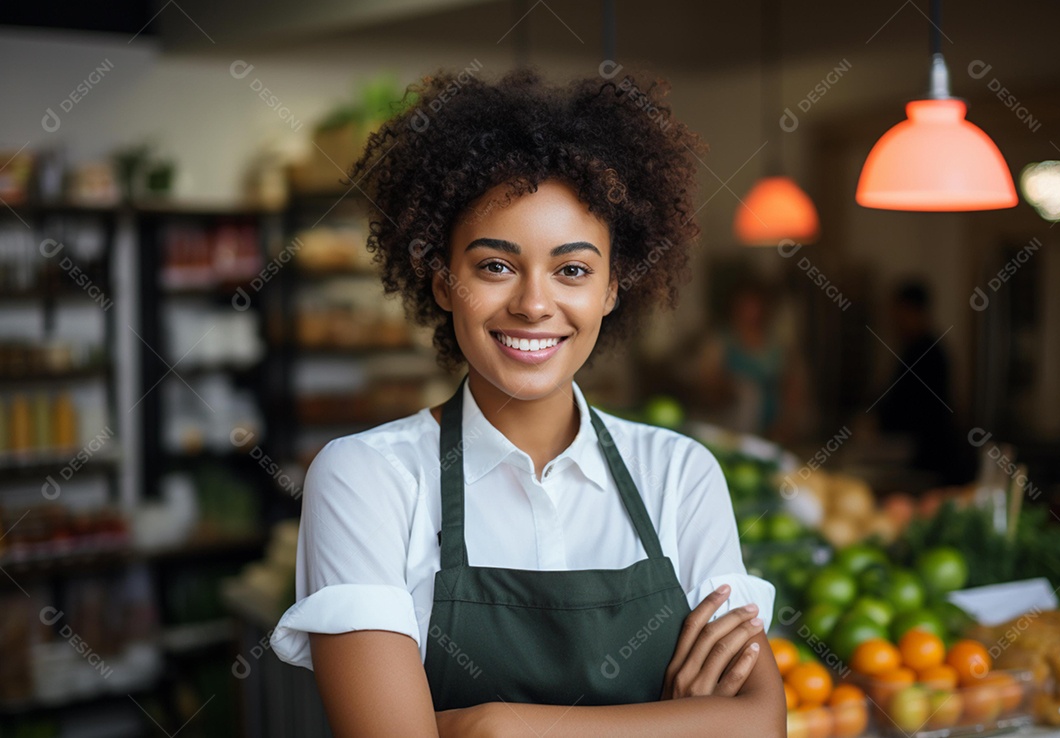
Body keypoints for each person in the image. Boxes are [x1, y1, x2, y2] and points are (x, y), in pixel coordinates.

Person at [270, 67, 782, 737]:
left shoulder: (680, 476)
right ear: (444, 280)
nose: (535, 304)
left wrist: (494, 726)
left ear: (611, 288)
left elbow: (760, 722)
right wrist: (677, 721)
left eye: (572, 269)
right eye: (495, 265)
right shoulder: (366, 480)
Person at [877, 281, 975, 485]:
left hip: (934, 458)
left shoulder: (926, 352)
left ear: (912, 310)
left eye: (898, 312)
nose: (894, 320)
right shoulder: (917, 348)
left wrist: (877, 421)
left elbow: (912, 407)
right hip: (927, 453)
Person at [694, 278, 805, 445]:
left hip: (774, 431)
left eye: (756, 305)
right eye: (745, 306)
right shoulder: (719, 342)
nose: (751, 312)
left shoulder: (779, 344)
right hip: (732, 432)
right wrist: (733, 389)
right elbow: (706, 386)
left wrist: (788, 423)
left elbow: (793, 385)